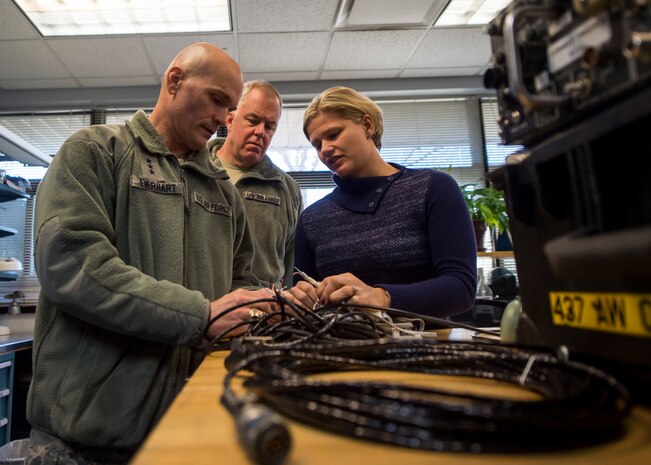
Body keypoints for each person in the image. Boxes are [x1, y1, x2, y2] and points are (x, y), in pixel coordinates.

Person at [25, 42, 276, 465]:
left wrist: (257, 310)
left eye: (229, 108)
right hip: (86, 435)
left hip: (190, 425)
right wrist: (200, 316)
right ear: (174, 81)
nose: (221, 119)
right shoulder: (95, 152)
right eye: (216, 99)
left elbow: (241, 282)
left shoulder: (223, 193)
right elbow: (74, 264)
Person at [290, 86, 477, 317]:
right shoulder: (311, 220)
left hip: (427, 347)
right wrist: (301, 299)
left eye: (333, 135)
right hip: (338, 347)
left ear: (367, 125)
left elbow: (461, 287)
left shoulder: (433, 188)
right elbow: (302, 296)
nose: (325, 149)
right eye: (317, 145)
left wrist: (383, 297)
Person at [208, 80, 302, 289]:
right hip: (206, 307)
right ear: (230, 119)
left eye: (270, 126)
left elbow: (290, 262)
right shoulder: (196, 169)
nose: (261, 132)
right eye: (253, 121)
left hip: (263, 311)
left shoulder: (286, 188)